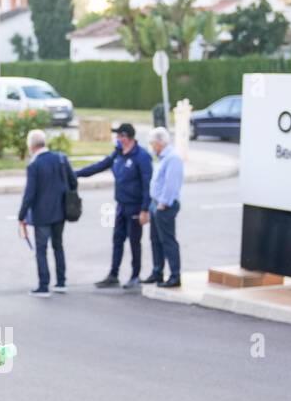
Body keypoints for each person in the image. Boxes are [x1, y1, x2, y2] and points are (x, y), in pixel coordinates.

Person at [75, 122, 152, 289]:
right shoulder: (118, 154)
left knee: (134, 241)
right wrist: (76, 173)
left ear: (126, 137)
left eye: (119, 136)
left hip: (135, 206)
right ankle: (113, 274)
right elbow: (99, 166)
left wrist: (145, 209)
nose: (117, 138)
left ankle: (135, 275)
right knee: (117, 240)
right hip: (121, 205)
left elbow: (147, 184)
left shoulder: (141, 156)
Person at [17, 128, 76, 296]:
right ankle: (61, 282)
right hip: (61, 212)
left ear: (31, 146)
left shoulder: (34, 165)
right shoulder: (61, 158)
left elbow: (30, 194)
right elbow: (73, 182)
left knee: (41, 250)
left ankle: (44, 286)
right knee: (58, 246)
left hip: (42, 215)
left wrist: (21, 216)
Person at [147, 127, 184, 288]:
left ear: (160, 143)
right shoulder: (162, 157)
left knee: (168, 241)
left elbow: (171, 184)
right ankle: (157, 272)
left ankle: (175, 275)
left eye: (153, 143)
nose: (152, 146)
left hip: (165, 206)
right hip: (155, 203)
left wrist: (163, 204)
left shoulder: (172, 158)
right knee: (155, 240)